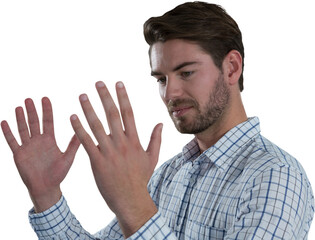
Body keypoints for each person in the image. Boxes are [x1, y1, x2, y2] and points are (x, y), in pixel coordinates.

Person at [1, 2, 314, 239]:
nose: (170, 93)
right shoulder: (168, 175)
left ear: (232, 68)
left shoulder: (277, 177)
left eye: (186, 72)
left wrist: (135, 205)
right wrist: (46, 195)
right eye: (161, 78)